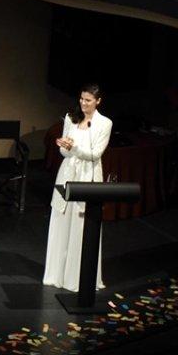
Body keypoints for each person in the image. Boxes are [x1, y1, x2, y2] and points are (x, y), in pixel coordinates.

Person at [43, 84, 111, 292]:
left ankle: (78, 278)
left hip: (87, 176)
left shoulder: (104, 123)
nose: (83, 103)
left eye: (88, 100)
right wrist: (65, 146)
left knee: (82, 225)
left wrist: (74, 148)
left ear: (98, 101)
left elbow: (95, 154)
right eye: (81, 99)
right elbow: (64, 154)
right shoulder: (71, 118)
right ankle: (57, 275)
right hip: (67, 173)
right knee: (62, 220)